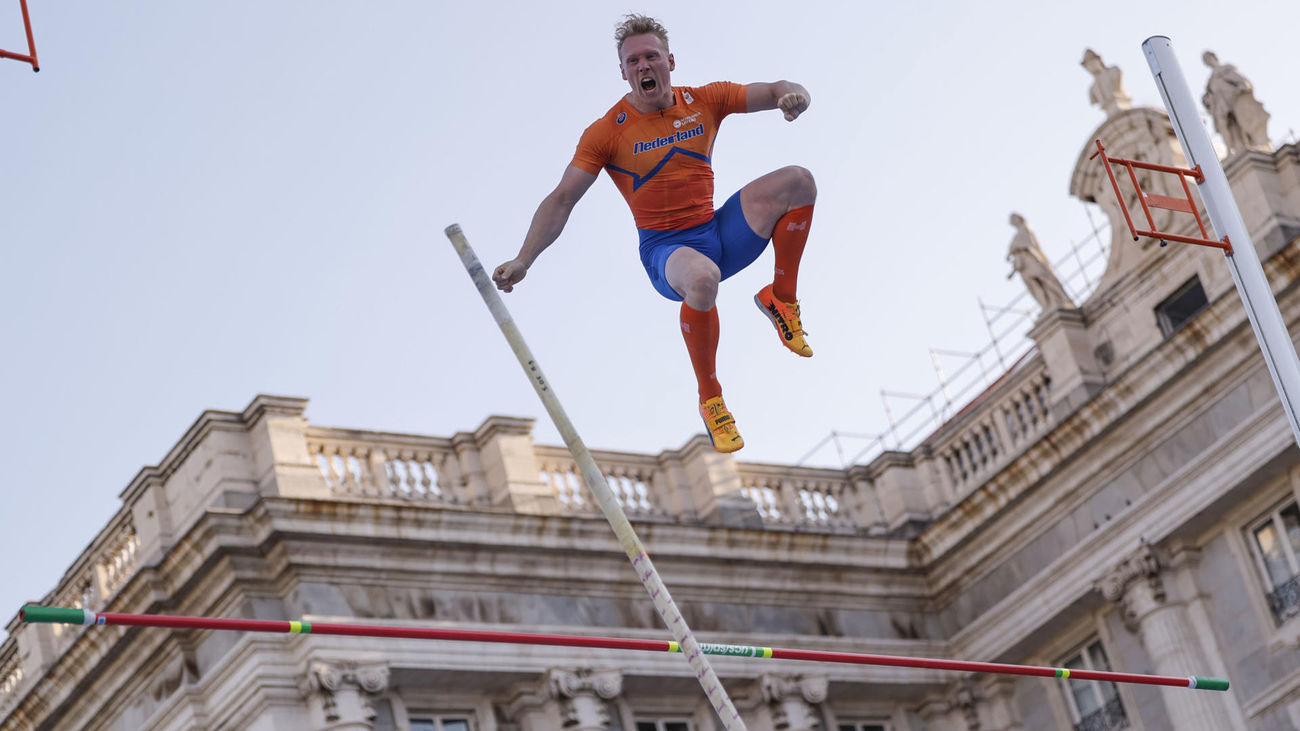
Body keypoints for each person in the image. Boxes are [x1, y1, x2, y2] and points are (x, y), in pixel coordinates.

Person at [492, 13, 816, 454]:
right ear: (623, 73)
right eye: (633, 61)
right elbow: (562, 198)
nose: (643, 66)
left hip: (719, 231)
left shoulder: (704, 100)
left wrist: (794, 96)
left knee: (799, 180)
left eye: (651, 56)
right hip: (669, 251)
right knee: (703, 279)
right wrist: (523, 258)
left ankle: (781, 298)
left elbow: (777, 88)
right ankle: (711, 398)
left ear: (670, 61)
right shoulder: (606, 133)